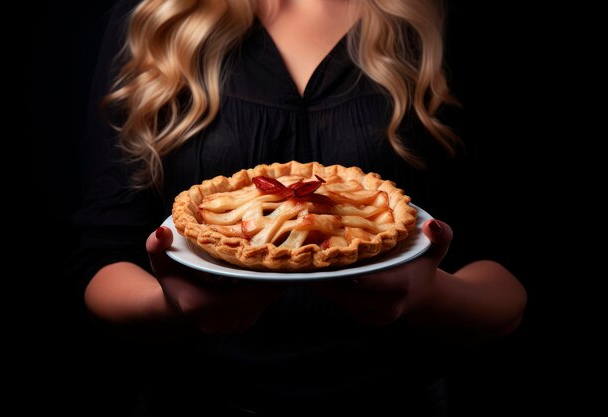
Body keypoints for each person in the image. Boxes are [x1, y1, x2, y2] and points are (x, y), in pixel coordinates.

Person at [71, 0, 527, 415]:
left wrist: (432, 296)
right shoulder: (158, 16)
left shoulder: (442, 18)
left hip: (398, 408)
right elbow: (102, 257)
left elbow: (509, 281)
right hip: (195, 408)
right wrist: (167, 307)